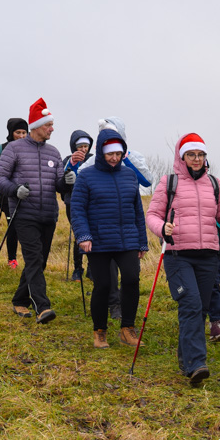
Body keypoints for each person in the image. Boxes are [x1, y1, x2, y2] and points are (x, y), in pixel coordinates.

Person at [146, 133, 220, 386]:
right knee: (190, 304)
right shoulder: (168, 182)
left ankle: (187, 360)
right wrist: (162, 229)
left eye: (200, 155)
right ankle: (197, 364)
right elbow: (152, 215)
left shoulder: (214, 183)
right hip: (178, 254)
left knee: (200, 309)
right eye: (191, 155)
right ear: (182, 157)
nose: (196, 159)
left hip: (208, 255)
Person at [0, 98, 74, 324]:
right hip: (23, 214)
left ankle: (19, 299)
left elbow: (59, 185)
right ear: (37, 125)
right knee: (35, 259)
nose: (52, 128)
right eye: (49, 125)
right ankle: (43, 307)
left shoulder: (54, 153)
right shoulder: (14, 149)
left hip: (48, 215)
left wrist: (68, 181)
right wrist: (14, 190)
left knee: (39, 261)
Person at [70, 128, 148, 348]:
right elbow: (77, 209)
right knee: (103, 285)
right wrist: (83, 236)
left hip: (127, 239)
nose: (114, 158)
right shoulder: (86, 176)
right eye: (110, 153)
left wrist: (142, 241)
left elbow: (137, 210)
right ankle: (100, 330)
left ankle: (127, 329)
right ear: (101, 152)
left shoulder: (129, 175)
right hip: (99, 240)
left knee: (132, 280)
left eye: (118, 153)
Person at [81, 117, 153, 319]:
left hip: (126, 224)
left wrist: (125, 158)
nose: (113, 156)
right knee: (106, 276)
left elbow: (147, 181)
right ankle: (113, 304)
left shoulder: (132, 157)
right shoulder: (93, 161)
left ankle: (124, 313)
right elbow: (81, 183)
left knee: (130, 276)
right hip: (101, 226)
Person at [0, 117, 29, 269]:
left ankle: (29, 259)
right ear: (11, 133)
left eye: (24, 132)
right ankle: (12, 259)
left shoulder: (31, 147)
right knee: (12, 227)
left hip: (27, 196)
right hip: (7, 197)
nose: (21, 136)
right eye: (18, 132)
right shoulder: (1, 149)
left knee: (26, 228)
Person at [62, 130, 94, 281]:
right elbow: (60, 182)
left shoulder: (94, 160)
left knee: (92, 234)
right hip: (72, 203)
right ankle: (77, 269)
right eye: (80, 145)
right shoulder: (68, 160)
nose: (83, 149)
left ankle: (92, 268)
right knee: (78, 235)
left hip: (91, 203)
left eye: (86, 146)